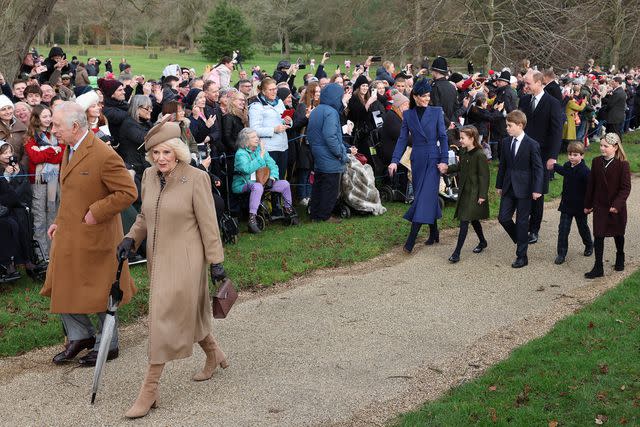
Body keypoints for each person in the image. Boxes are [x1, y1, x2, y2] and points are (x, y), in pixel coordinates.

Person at [117, 121, 227, 418]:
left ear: (178, 151)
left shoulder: (195, 178)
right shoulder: (150, 176)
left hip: (187, 262)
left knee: (163, 319)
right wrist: (130, 238)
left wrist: (216, 263)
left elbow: (208, 224)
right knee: (185, 313)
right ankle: (214, 354)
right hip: (158, 260)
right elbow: (144, 215)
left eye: (166, 151)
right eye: (155, 152)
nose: (160, 157)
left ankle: (149, 390)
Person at [39, 101, 138, 366]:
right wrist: (60, 220)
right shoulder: (70, 149)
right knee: (62, 283)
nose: (53, 129)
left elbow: (128, 192)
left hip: (98, 237)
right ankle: (81, 336)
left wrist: (97, 211)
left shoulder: (103, 154)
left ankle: (110, 345)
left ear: (74, 126)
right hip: (70, 234)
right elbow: (71, 192)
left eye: (57, 125)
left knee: (99, 289)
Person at [387, 79, 449, 252]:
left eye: (428, 95)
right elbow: (401, 139)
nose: (427, 99)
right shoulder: (408, 115)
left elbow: (443, 138)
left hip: (433, 159)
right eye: (423, 96)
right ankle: (434, 232)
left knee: (422, 198)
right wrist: (394, 160)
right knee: (425, 195)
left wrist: (444, 160)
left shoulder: (436, 112)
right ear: (415, 97)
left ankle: (410, 241)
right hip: (417, 160)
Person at [495, 110, 543, 268]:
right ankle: (520, 238)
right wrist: (499, 185)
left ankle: (522, 256)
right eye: (506, 125)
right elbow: (503, 165)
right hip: (508, 186)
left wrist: (537, 189)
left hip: (526, 188)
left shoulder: (532, 144)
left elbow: (538, 168)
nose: (507, 128)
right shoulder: (506, 142)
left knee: (522, 222)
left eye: (509, 126)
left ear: (520, 125)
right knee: (503, 217)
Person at [519, 70, 562, 245]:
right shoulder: (523, 100)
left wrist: (552, 156)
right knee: (522, 188)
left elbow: (557, 131)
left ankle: (534, 229)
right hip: (523, 153)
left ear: (539, 82)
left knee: (537, 192)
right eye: (524, 83)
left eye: (528, 83)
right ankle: (522, 223)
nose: (525, 87)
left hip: (542, 155)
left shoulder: (552, 103)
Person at [583, 133, 631, 278]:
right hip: (600, 205)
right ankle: (598, 267)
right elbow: (592, 184)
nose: (602, 148)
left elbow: (625, 188)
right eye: (601, 145)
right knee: (598, 235)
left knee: (618, 234)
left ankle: (620, 255)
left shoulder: (623, 165)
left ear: (615, 147)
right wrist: (588, 204)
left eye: (606, 146)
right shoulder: (596, 161)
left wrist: (617, 204)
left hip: (616, 208)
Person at [232, 128, 297, 233]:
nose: (257, 139)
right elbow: (246, 169)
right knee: (257, 186)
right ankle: (252, 219)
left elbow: (273, 165)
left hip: (262, 181)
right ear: (245, 140)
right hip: (243, 183)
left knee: (284, 184)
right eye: (253, 137)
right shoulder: (240, 153)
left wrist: (272, 177)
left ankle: (288, 211)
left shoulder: (260, 150)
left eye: (257, 136)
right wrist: (261, 156)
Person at [440, 126, 489, 263]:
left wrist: (482, 195)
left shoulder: (480, 155)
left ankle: (456, 253)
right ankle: (483, 241)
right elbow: (460, 167)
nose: (460, 140)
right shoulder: (463, 152)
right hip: (464, 191)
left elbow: (484, 177)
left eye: (462, 138)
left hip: (474, 192)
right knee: (473, 219)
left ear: (472, 138)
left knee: (464, 220)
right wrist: (447, 169)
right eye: (460, 138)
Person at [307, 83, 353, 223]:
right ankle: (325, 216)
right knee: (330, 187)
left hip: (318, 153)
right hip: (329, 156)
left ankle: (315, 214)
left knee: (319, 185)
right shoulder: (331, 113)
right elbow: (330, 137)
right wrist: (341, 153)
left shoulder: (317, 110)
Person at [23, 105, 64, 261]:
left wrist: (44, 150)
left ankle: (55, 251)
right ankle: (42, 255)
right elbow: (35, 158)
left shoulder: (57, 133)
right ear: (37, 119)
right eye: (44, 116)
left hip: (55, 181)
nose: (48, 119)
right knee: (40, 216)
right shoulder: (30, 137)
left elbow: (61, 154)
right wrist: (53, 150)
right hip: (38, 182)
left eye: (50, 116)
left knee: (54, 214)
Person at [547, 142, 593, 265]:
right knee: (563, 229)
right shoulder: (568, 165)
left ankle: (589, 245)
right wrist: (555, 166)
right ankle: (561, 253)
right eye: (570, 154)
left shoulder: (585, 172)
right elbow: (565, 172)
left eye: (575, 155)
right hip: (566, 204)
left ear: (582, 156)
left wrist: (589, 206)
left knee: (582, 227)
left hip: (580, 206)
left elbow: (590, 190)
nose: (572, 157)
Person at [248, 77, 290, 179]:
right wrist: (274, 130)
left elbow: (283, 118)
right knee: (269, 179)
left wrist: (288, 120)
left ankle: (278, 195)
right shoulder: (256, 106)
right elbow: (254, 129)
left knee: (280, 177)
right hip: (268, 148)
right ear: (263, 91)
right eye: (271, 90)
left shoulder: (279, 102)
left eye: (275, 89)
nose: (274, 92)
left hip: (283, 146)